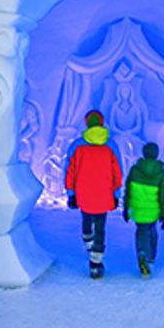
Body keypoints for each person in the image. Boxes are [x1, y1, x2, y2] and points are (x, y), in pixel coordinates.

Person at [64, 110, 123, 279]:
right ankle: (96, 264)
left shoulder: (76, 146)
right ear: (102, 123)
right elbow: (117, 172)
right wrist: (116, 193)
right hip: (104, 193)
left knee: (86, 220)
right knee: (101, 227)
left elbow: (70, 172)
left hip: (83, 192)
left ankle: (88, 244)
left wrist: (71, 193)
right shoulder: (111, 145)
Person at [122, 141, 164, 279]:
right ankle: (150, 257)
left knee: (141, 230)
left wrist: (125, 208)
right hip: (154, 211)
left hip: (137, 209)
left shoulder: (134, 170)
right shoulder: (161, 174)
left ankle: (143, 253)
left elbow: (128, 190)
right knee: (152, 229)